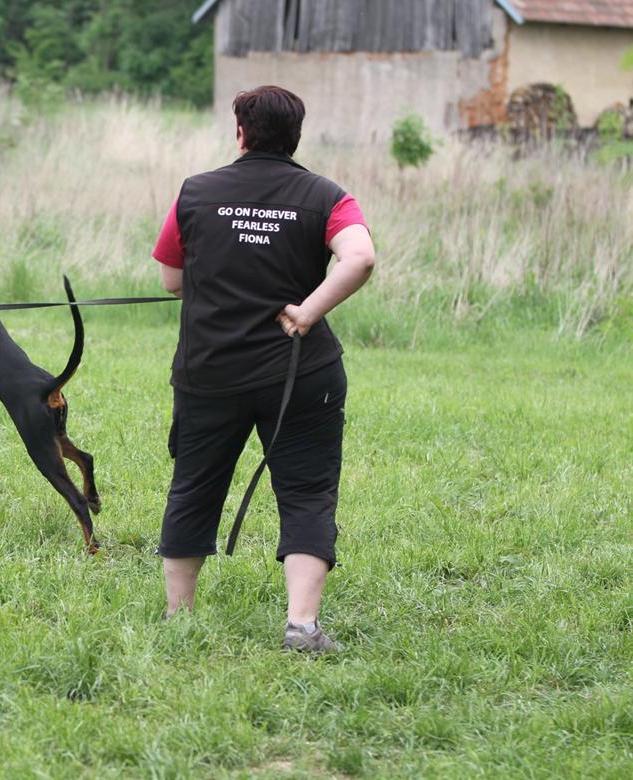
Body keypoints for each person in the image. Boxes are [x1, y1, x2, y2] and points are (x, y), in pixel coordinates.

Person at [152, 85, 375, 652]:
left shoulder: (195, 193)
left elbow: (172, 281)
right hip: (300, 373)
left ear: (241, 132)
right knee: (306, 492)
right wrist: (305, 311)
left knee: (194, 488)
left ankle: (180, 620)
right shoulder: (328, 196)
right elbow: (360, 257)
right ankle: (301, 627)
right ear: (296, 136)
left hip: (210, 372)